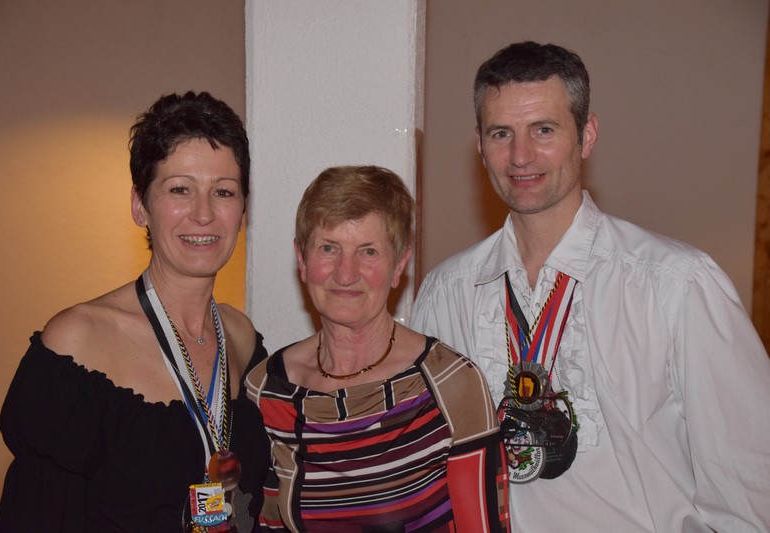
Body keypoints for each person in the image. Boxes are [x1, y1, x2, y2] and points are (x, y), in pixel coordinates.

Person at [411, 41, 770, 531]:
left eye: (543, 130)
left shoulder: (677, 285)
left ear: (587, 134)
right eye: (501, 133)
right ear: (479, 144)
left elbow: (750, 486)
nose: (520, 156)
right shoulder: (445, 293)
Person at [0, 91, 270, 532]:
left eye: (223, 191)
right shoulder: (77, 342)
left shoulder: (240, 337)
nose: (204, 213)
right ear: (140, 205)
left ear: (242, 213)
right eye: (180, 189)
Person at [244, 165, 509, 532]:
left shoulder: (450, 385)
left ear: (399, 265)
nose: (345, 273)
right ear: (302, 260)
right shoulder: (266, 390)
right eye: (328, 248)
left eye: (368, 251)